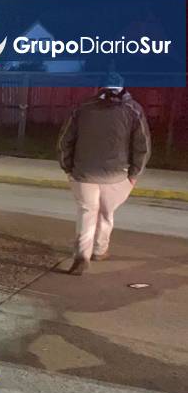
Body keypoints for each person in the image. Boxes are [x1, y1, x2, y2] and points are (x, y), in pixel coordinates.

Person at [57, 72, 151, 276]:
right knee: (107, 214)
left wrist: (67, 167)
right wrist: (135, 173)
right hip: (117, 175)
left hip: (84, 173)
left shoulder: (81, 108)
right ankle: (100, 250)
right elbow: (142, 146)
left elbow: (65, 141)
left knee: (87, 212)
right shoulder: (134, 110)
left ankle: (82, 255)